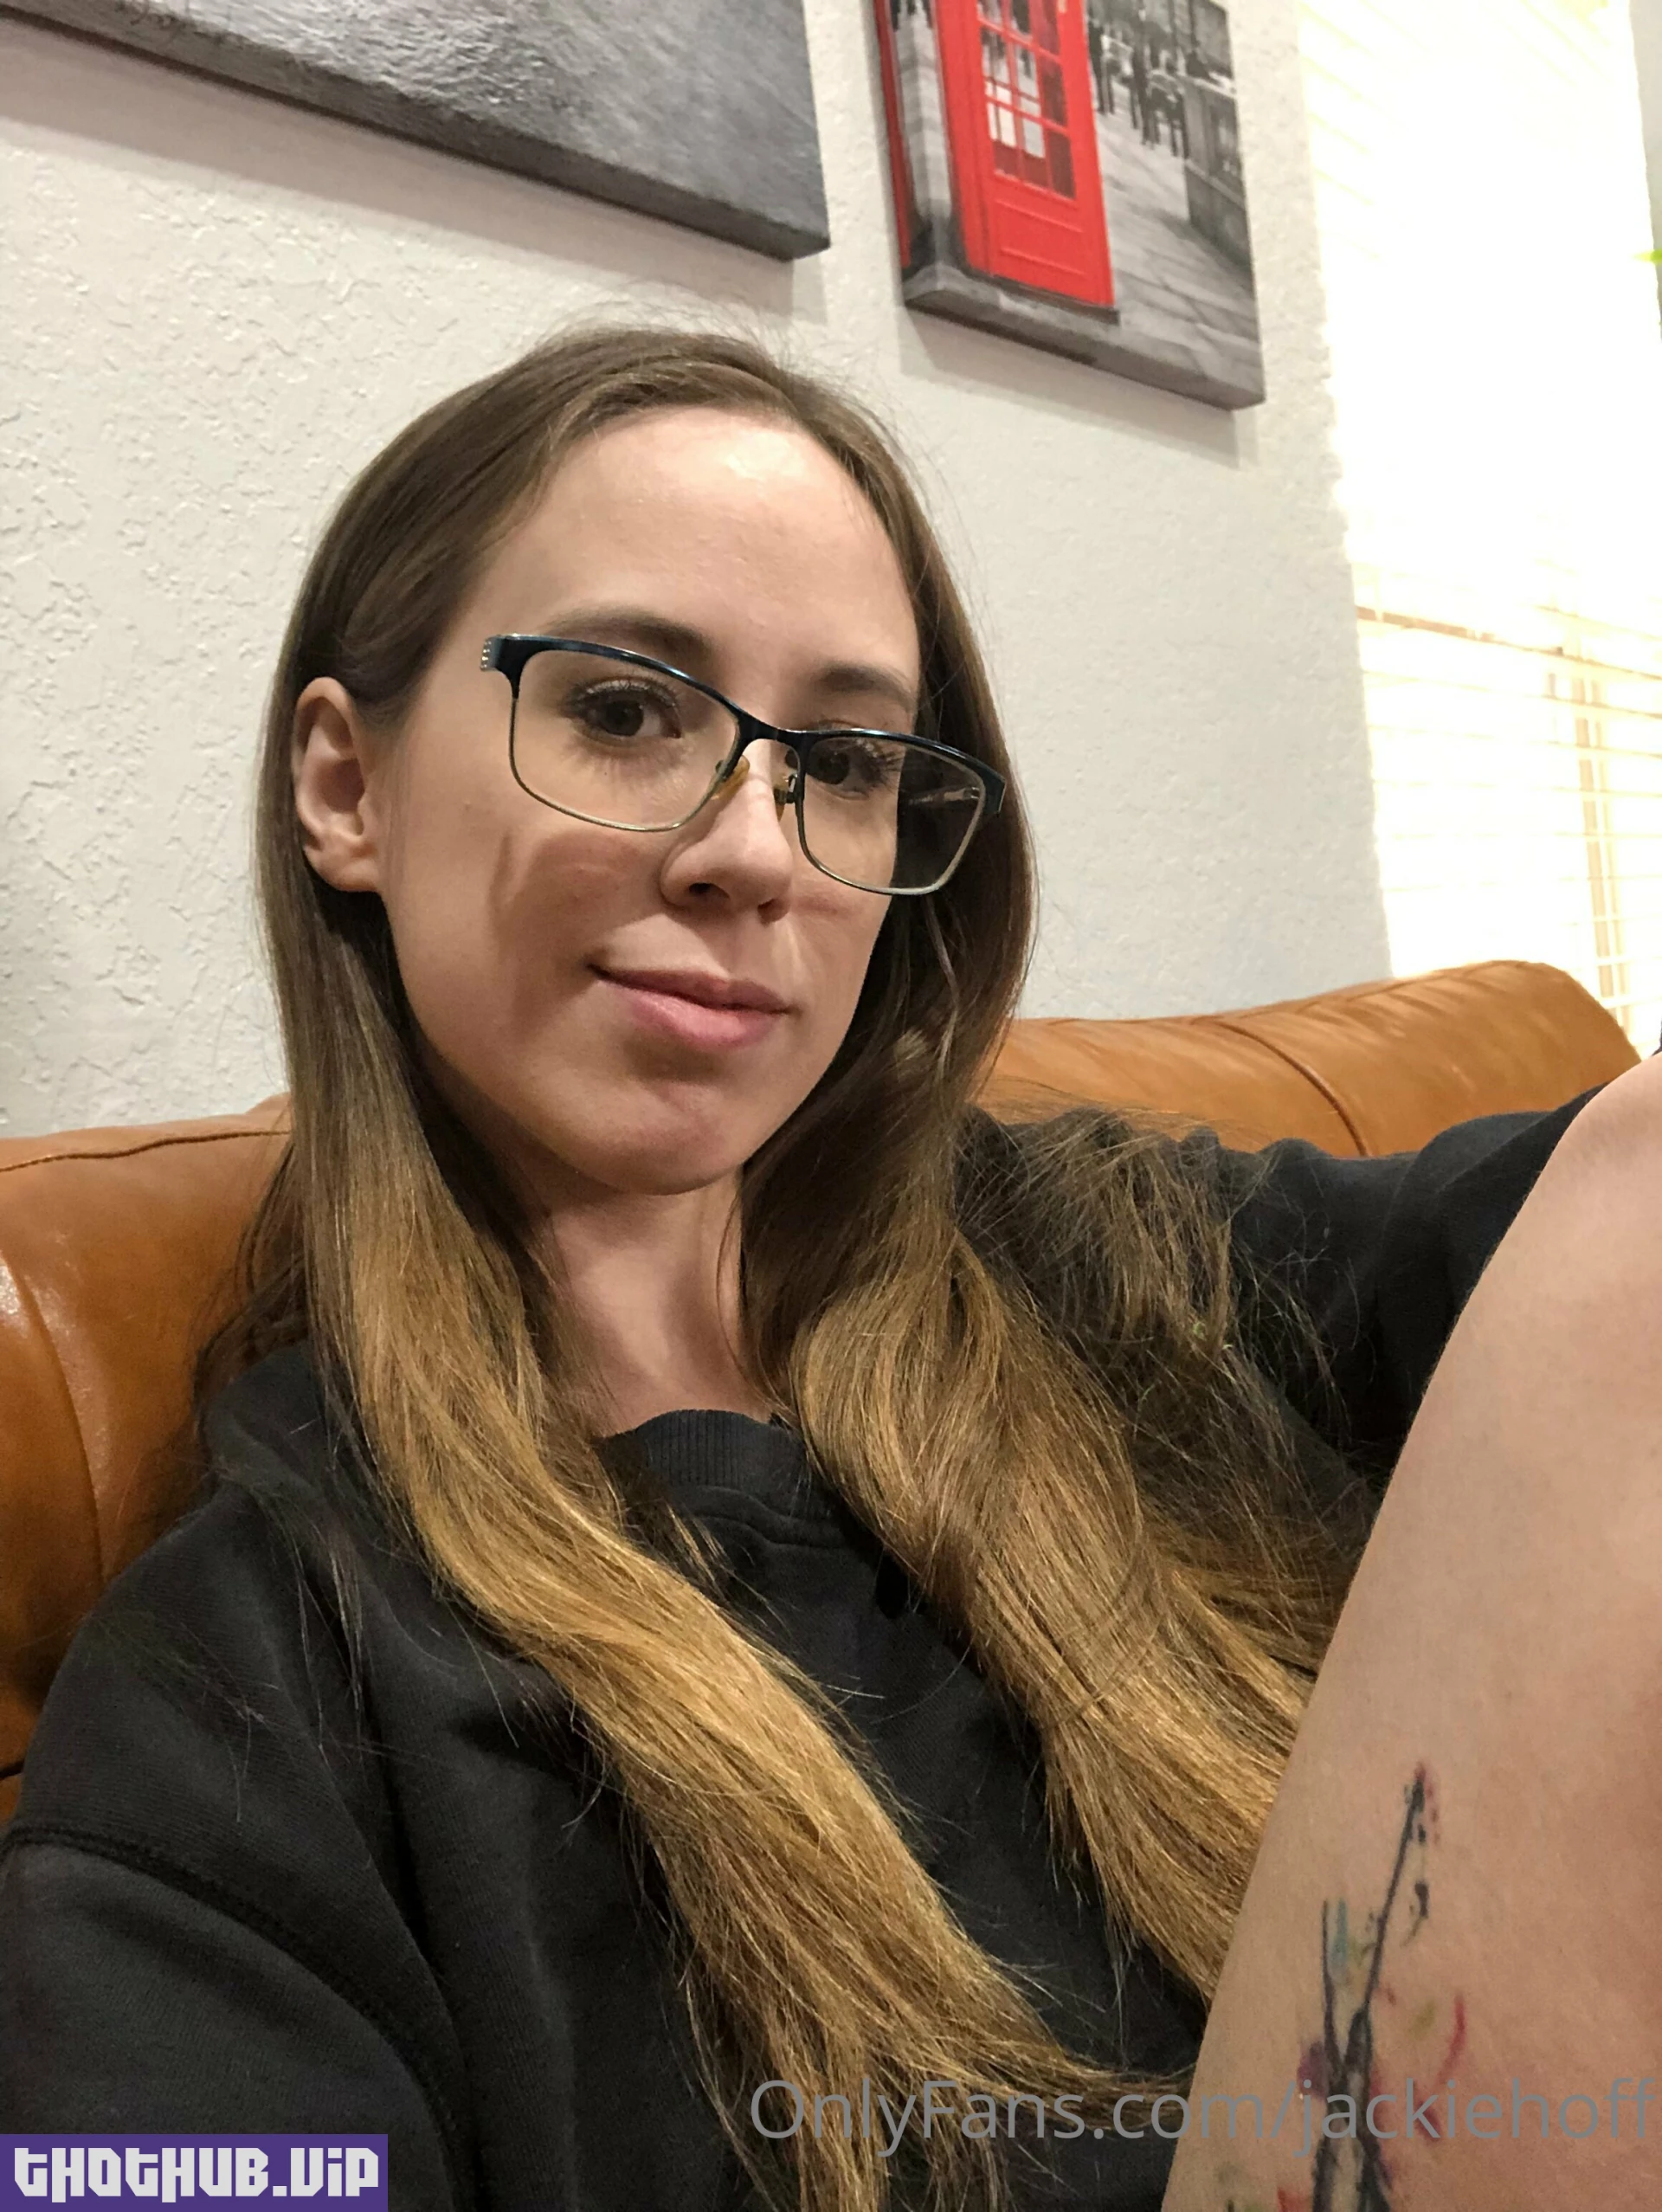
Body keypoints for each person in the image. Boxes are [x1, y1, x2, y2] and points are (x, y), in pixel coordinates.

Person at [0, 327, 1610, 2212]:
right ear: (347, 786)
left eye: (843, 762)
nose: (757, 852)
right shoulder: (245, 1712)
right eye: (623, 709)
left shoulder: (1131, 1267)